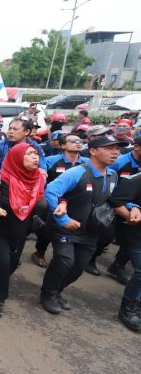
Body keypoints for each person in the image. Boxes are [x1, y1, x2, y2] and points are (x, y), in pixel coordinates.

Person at [39, 135, 123, 314]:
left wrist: (130, 207)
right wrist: (64, 219)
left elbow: (113, 200)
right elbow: (51, 191)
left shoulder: (112, 175)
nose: (115, 152)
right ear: (93, 151)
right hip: (67, 229)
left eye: (117, 148)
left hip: (91, 232)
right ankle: (47, 293)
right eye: (109, 148)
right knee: (64, 261)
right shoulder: (77, 172)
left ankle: (57, 291)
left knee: (78, 268)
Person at [0, 144, 47, 316]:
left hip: (21, 231)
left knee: (11, 264)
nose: (35, 157)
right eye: (29, 153)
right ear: (16, 158)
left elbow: (41, 201)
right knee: (0, 263)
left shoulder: (39, 178)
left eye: (36, 153)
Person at [31, 133, 86, 267]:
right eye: (72, 141)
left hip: (75, 203)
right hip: (52, 201)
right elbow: (41, 178)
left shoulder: (87, 163)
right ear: (62, 145)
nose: (77, 143)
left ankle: (65, 258)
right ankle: (39, 252)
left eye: (79, 140)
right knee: (47, 230)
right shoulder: (51, 160)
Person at [108, 169, 141, 332]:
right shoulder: (136, 179)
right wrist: (132, 213)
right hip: (136, 234)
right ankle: (127, 309)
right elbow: (116, 200)